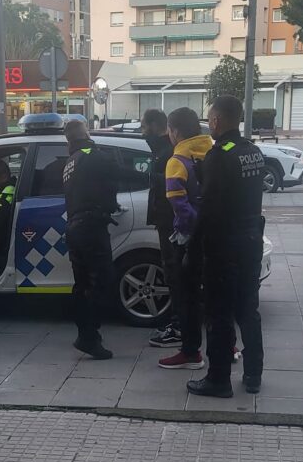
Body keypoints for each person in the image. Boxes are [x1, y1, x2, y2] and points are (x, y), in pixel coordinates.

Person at [188, 95, 265, 398]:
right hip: (250, 241)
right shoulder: (253, 151)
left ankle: (218, 378)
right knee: (248, 309)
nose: (209, 124)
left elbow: (210, 208)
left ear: (218, 120)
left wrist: (194, 250)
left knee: (219, 313)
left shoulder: (219, 155)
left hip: (224, 246)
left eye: (210, 119)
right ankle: (254, 373)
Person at [62, 120, 134, 359]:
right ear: (85, 134)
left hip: (75, 228)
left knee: (81, 285)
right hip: (92, 227)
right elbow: (122, 174)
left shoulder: (71, 161)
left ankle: (86, 335)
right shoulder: (92, 154)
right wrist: (159, 176)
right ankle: (89, 336)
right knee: (103, 281)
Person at [156, 108, 213, 370]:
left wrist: (191, 233)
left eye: (169, 130)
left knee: (186, 297)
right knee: (211, 295)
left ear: (175, 131)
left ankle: (190, 353)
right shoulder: (214, 151)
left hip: (189, 239)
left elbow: (178, 202)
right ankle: (228, 345)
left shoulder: (177, 160)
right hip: (217, 235)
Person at [141, 110, 181, 348]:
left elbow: (170, 184)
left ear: (157, 125)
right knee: (170, 272)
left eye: (145, 127)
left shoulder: (168, 152)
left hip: (171, 222)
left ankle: (178, 326)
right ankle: (176, 322)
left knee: (175, 274)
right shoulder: (160, 150)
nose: (143, 133)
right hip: (164, 220)